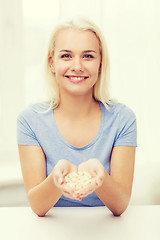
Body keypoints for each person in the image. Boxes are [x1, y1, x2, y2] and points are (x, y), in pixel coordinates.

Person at [17, 17, 137, 217]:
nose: (77, 66)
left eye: (88, 56)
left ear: (100, 64)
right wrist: (56, 181)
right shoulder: (30, 120)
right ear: (51, 63)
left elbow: (120, 205)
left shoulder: (123, 119)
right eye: (66, 56)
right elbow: (38, 207)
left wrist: (100, 177)